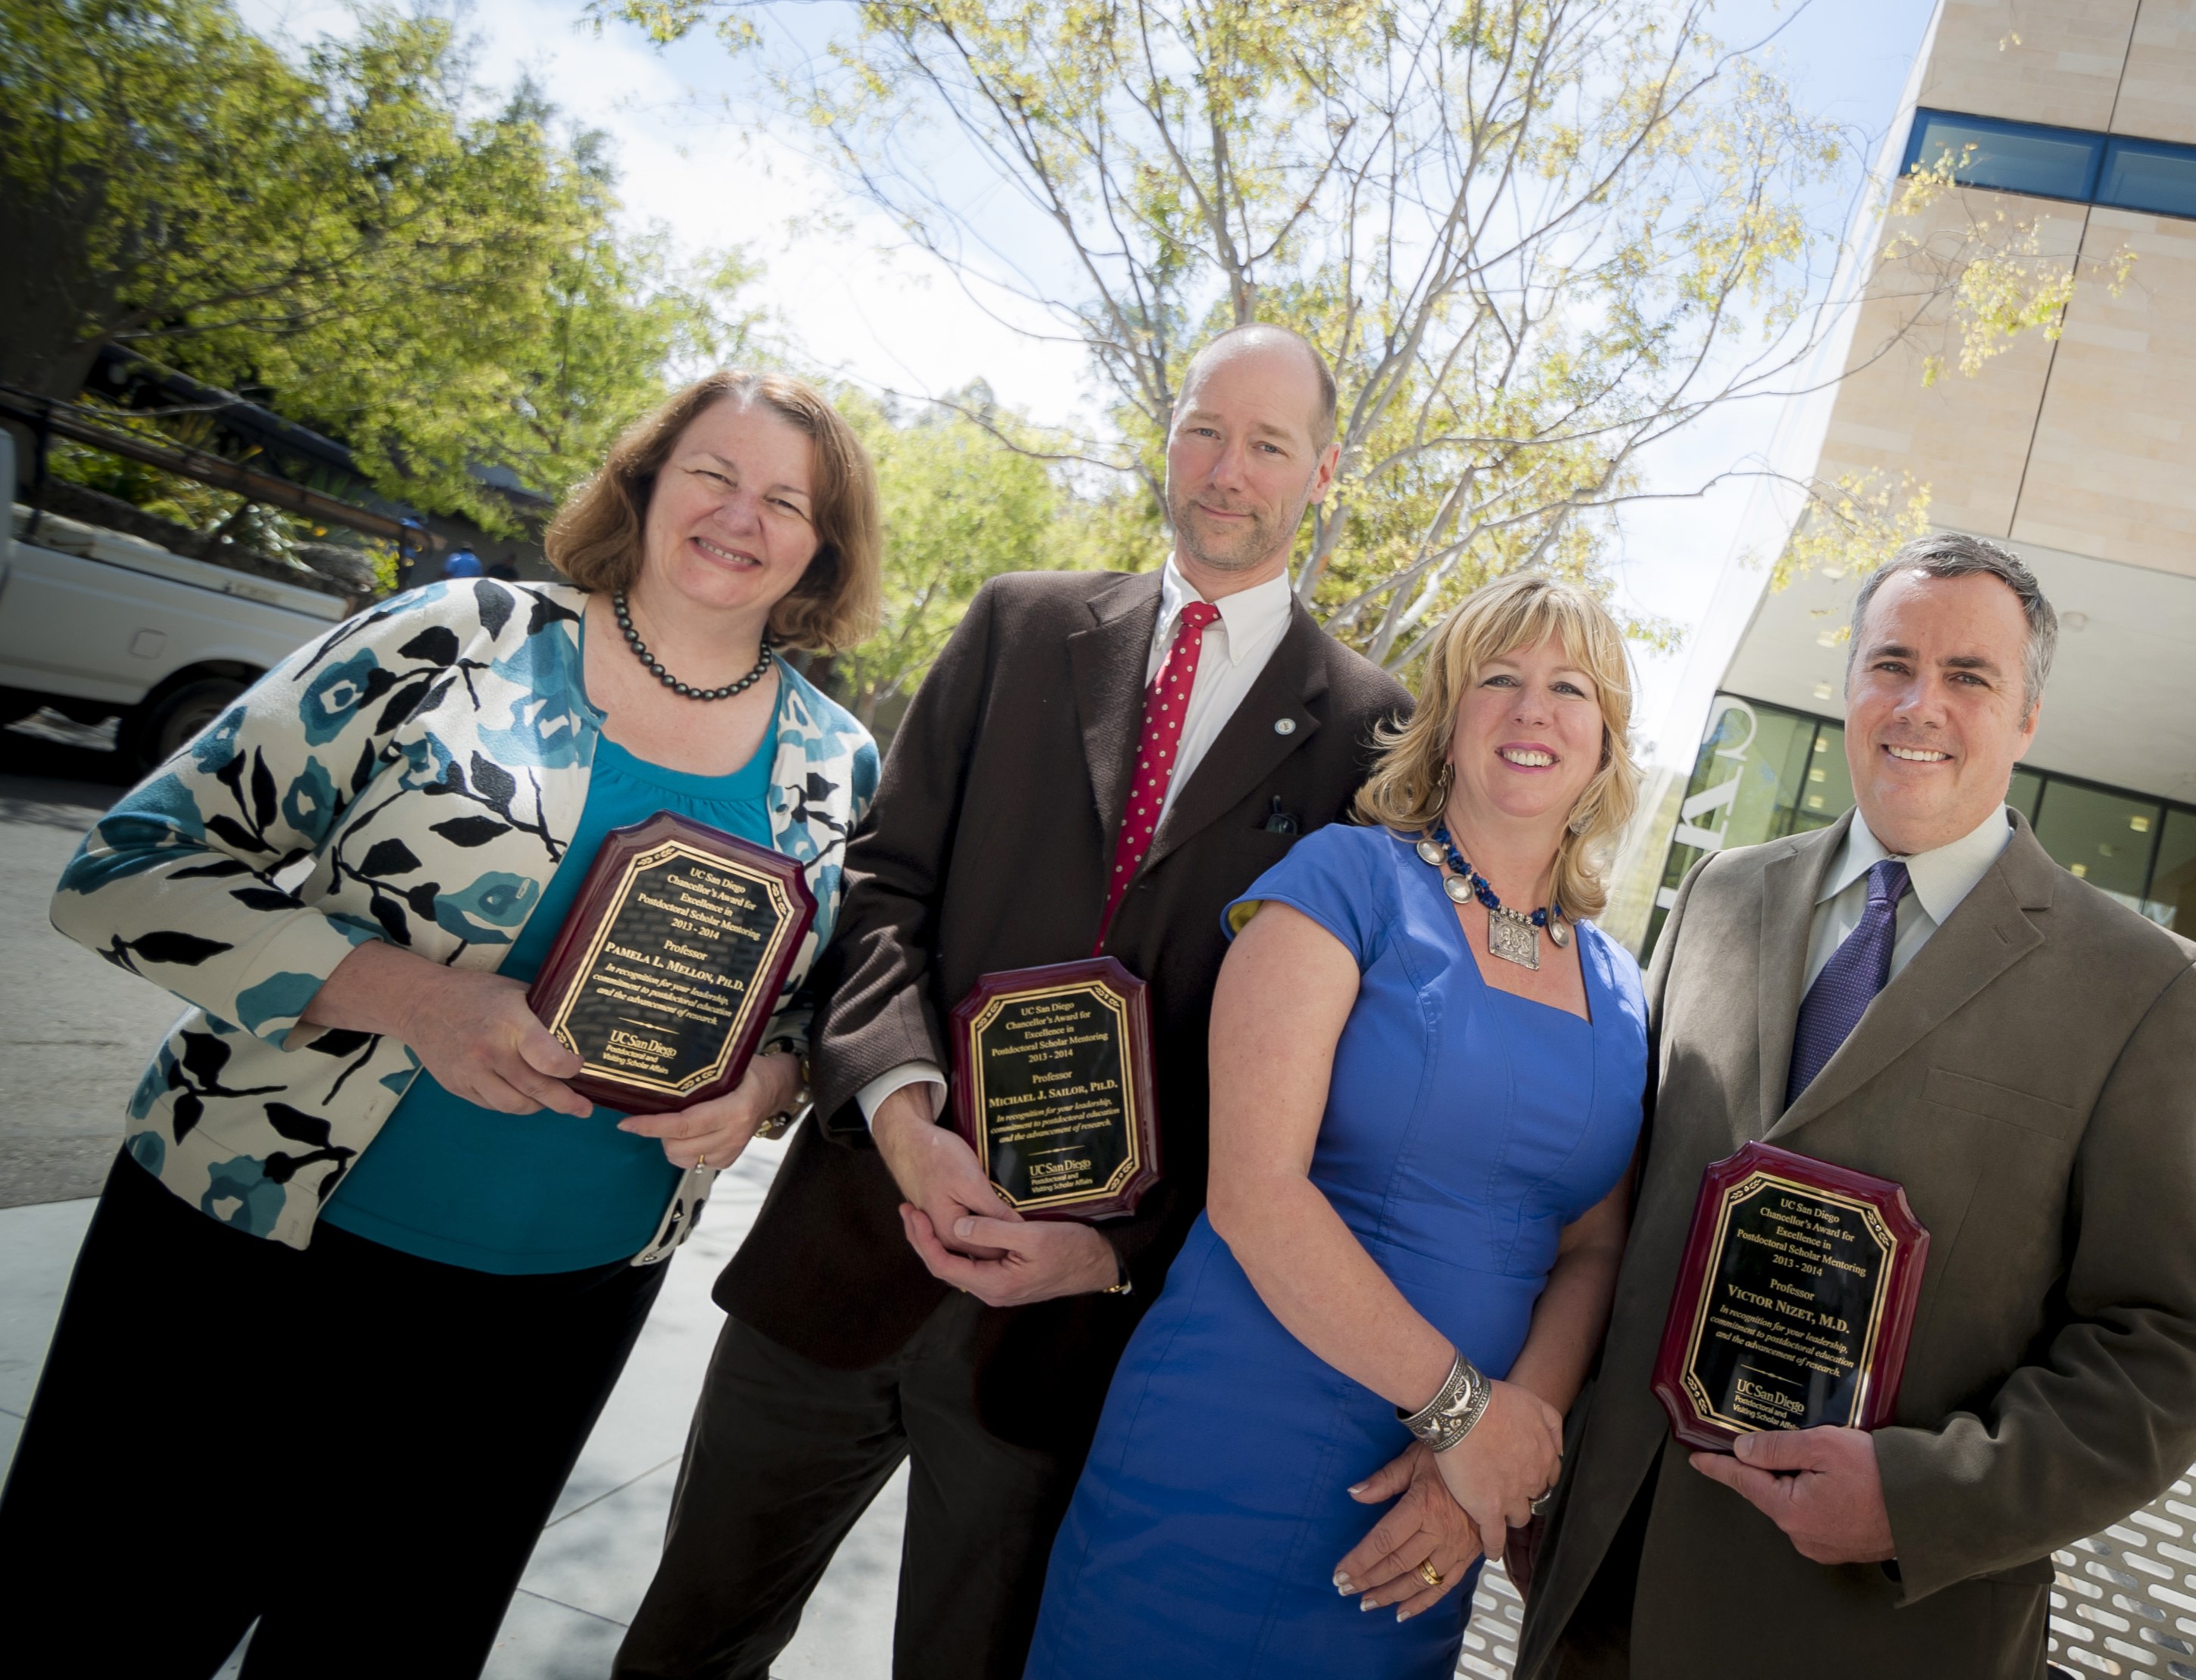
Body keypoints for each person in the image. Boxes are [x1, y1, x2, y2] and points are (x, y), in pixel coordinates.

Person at [0, 370, 885, 1679]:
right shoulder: (455, 637)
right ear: (646, 483)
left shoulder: (837, 763)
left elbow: (813, 1007)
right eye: (712, 475)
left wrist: (768, 1080)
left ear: (823, 547)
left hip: (550, 1324)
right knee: (94, 1627)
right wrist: (415, 998)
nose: (740, 517)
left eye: (786, 501)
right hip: (246, 1255)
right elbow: (131, 867)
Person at [613, 323, 1413, 1680]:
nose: (1228, 471)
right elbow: (883, 885)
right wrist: (901, 1110)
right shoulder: (1019, 625)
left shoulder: (1369, 734)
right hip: (857, 1236)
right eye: (1205, 431)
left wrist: (1118, 1254)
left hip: (1071, 1326)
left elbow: (1319, 1069)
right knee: (690, 1636)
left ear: (1324, 470)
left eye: (1269, 444)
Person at [1515, 534, 2196, 1679]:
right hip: (1605, 1583)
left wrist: (1921, 1499)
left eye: (1970, 677)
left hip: (1862, 1629)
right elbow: (1620, 1207)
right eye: (1892, 663)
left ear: (2029, 718)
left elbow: (2166, 1352)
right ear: (1849, 683)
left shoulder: (2144, 991)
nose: (1920, 705)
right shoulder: (1721, 893)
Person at [1020, 574, 1649, 1678]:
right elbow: (1255, 1194)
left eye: (1570, 688)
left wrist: (1503, 1446)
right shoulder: (1341, 884)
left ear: (1606, 743)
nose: (1533, 709)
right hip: (1233, 1444)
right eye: (1497, 679)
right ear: (1447, 725)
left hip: (1439, 1499)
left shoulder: (1623, 983)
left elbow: (1593, 1245)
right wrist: (1464, 1412)